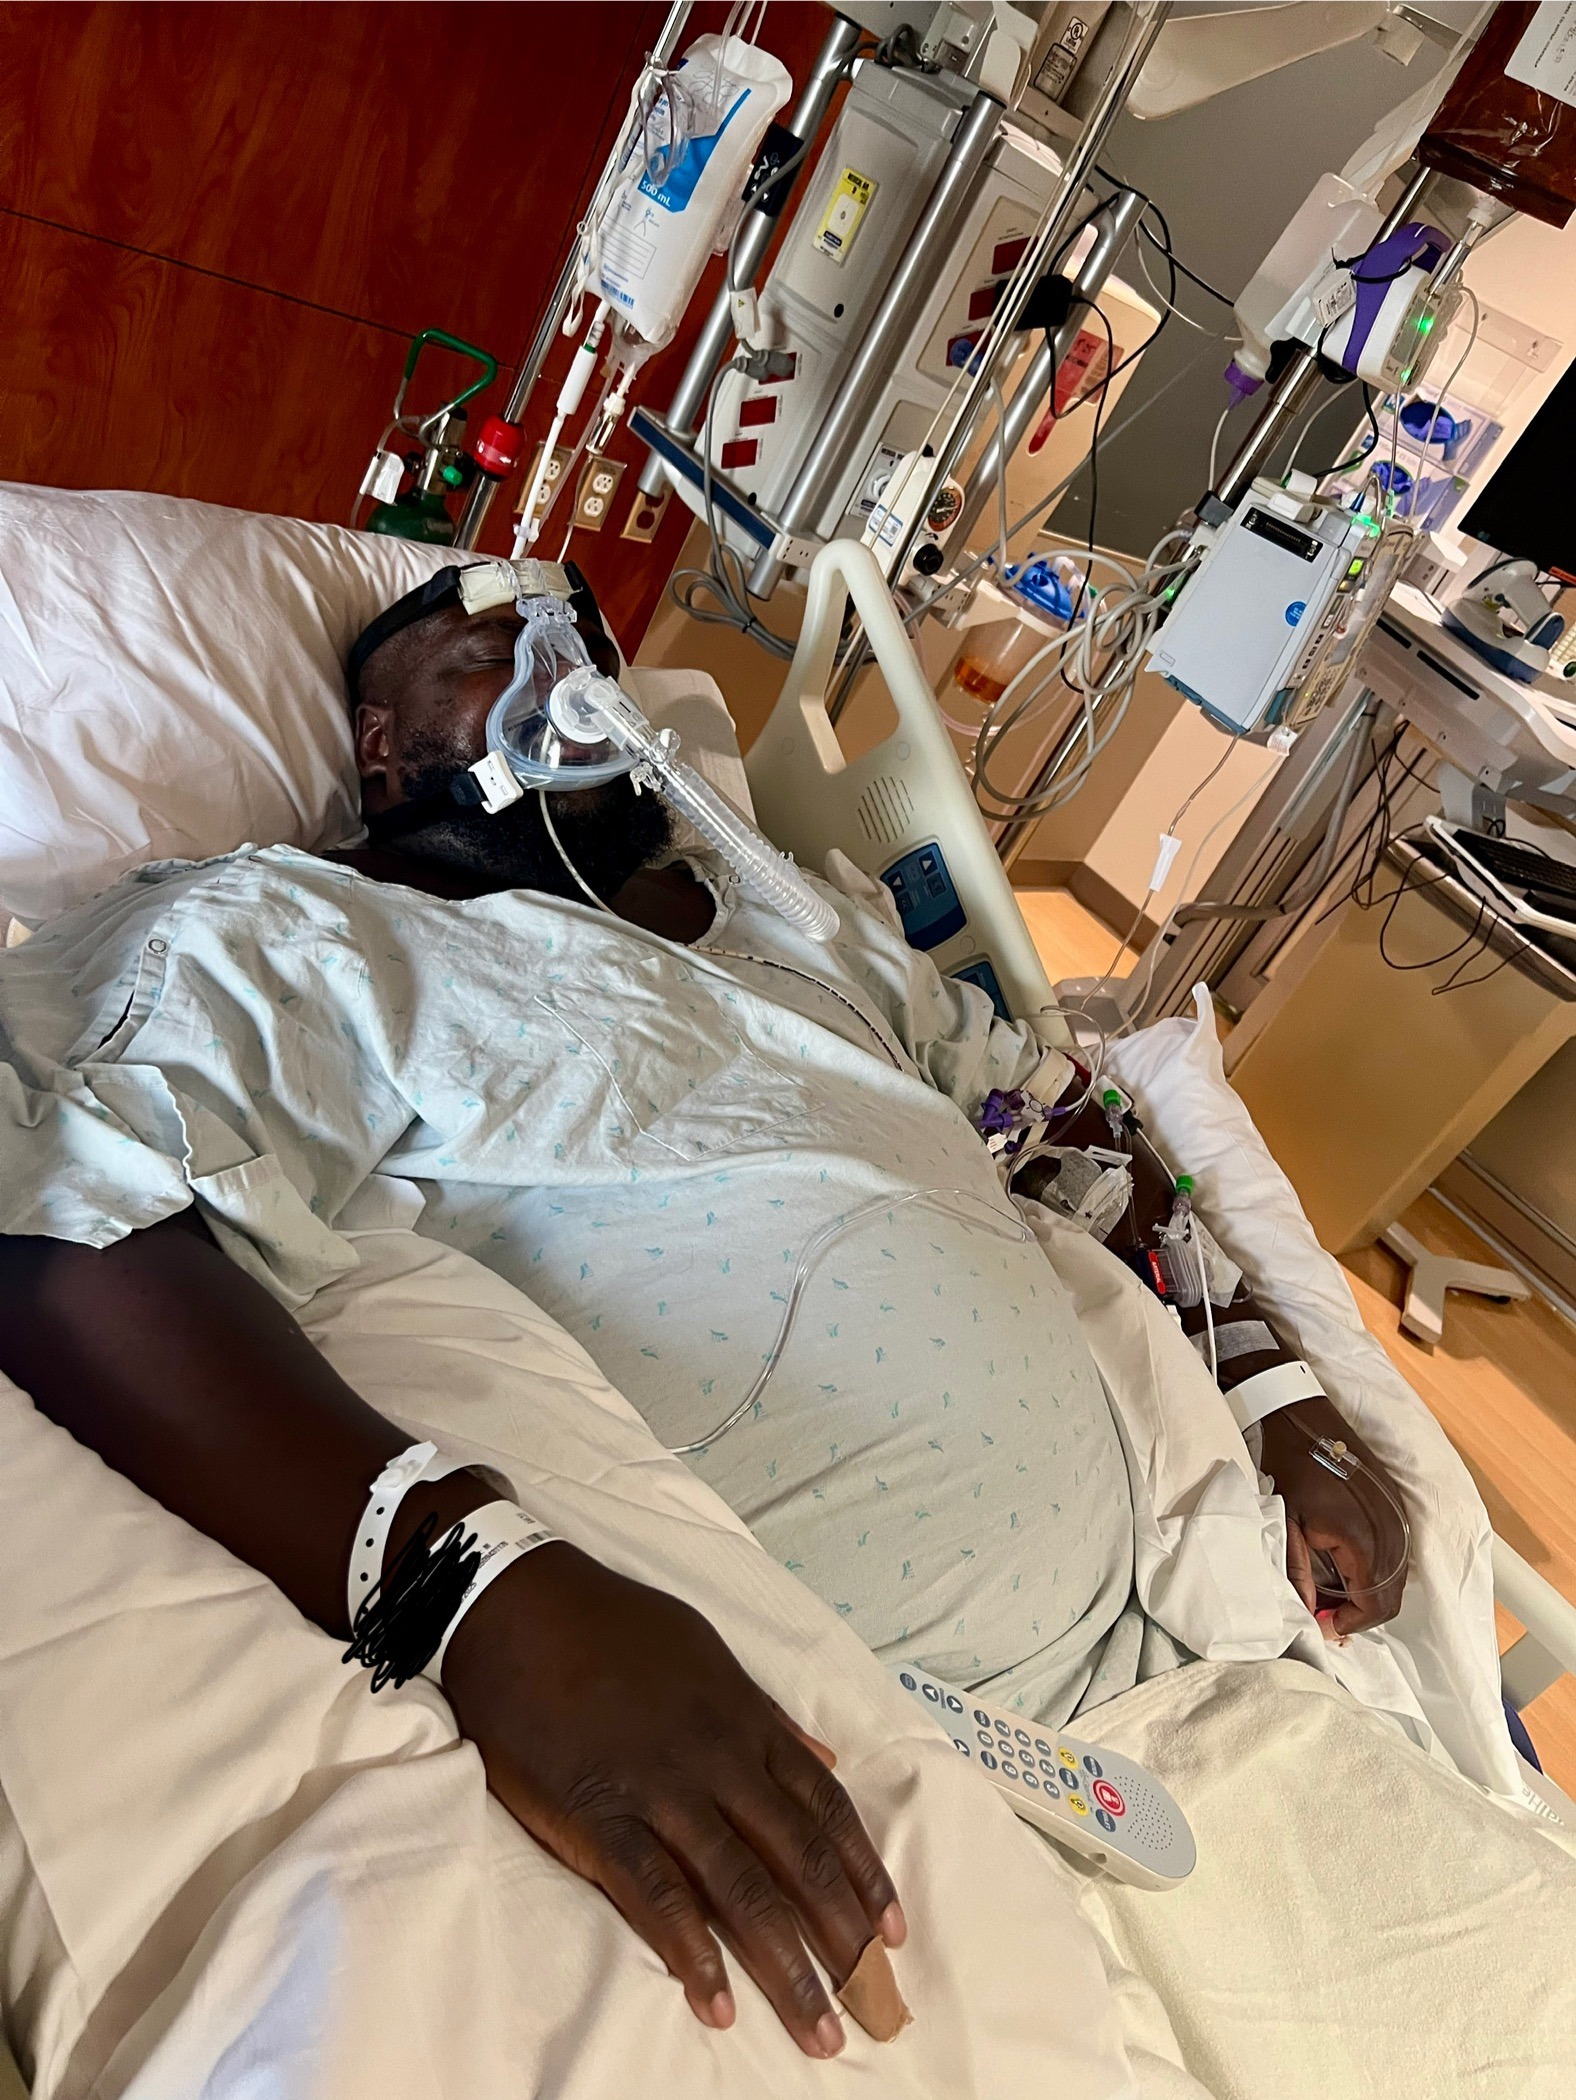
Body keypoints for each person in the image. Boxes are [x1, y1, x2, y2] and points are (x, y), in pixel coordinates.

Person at [0, 565, 1405, 2055]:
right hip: (838, 1792)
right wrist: (471, 1588)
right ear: (381, 744)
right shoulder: (303, 931)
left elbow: (1058, 1120)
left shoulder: (805, 915)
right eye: (486, 654)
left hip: (1198, 1675)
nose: (553, 669)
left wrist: (1278, 1392)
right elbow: (62, 1213)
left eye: (578, 646)